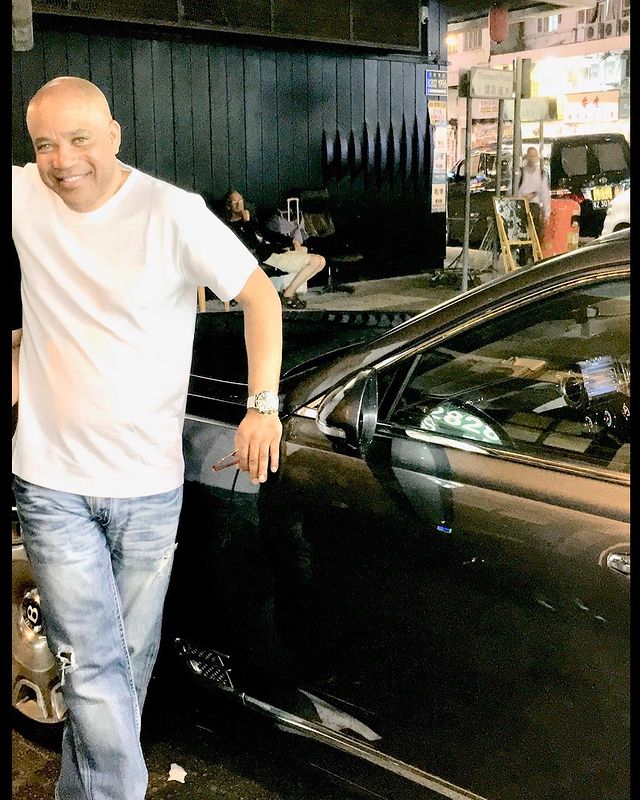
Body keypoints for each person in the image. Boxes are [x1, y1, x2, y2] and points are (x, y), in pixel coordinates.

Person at [11, 76, 283, 800]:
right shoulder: (24, 196)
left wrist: (263, 405)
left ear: (115, 136)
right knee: (94, 669)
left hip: (148, 488)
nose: (62, 160)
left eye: (79, 140)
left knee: (122, 664)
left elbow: (259, 295)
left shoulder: (171, 213)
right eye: (44, 144)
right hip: (52, 483)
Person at [221, 189, 326, 309]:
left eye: (241, 200)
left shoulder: (251, 221)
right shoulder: (231, 227)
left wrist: (291, 240)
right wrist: (246, 222)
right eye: (235, 202)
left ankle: (289, 291)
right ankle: (288, 294)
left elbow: (268, 233)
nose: (239, 205)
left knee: (318, 260)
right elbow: (252, 244)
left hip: (276, 250)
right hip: (268, 256)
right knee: (317, 261)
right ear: (229, 206)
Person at [517, 146, 551, 252]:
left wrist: (547, 213)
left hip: (534, 207)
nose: (532, 158)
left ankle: (533, 255)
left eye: (534, 156)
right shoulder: (520, 173)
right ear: (526, 157)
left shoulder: (541, 174)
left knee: (536, 233)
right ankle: (523, 254)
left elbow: (544, 194)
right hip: (521, 206)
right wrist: (522, 197)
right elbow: (512, 190)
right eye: (530, 156)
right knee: (522, 234)